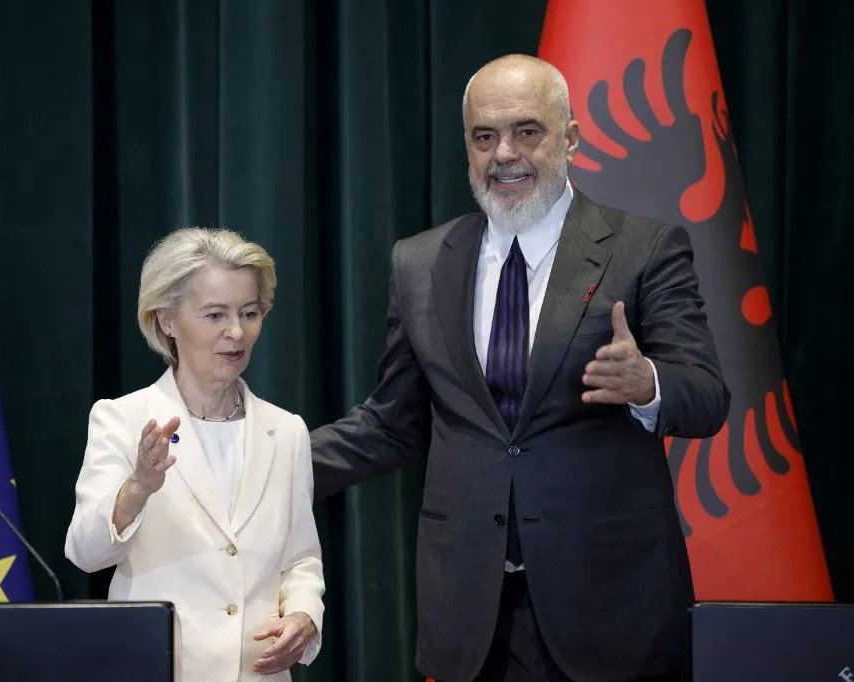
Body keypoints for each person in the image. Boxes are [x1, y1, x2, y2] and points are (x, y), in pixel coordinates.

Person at [309, 54, 729, 682]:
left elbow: (706, 396)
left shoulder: (645, 248)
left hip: (608, 609)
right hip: (471, 616)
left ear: (571, 137)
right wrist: (265, 469)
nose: (505, 152)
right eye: (485, 137)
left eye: (527, 131)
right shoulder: (420, 262)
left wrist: (649, 384)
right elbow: (392, 424)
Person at [65, 228, 324, 682]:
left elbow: (301, 558)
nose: (236, 331)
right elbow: (86, 553)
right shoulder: (122, 420)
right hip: (156, 669)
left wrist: (303, 617)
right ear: (166, 320)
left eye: (249, 312)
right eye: (214, 315)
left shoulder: (287, 431)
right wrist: (139, 487)